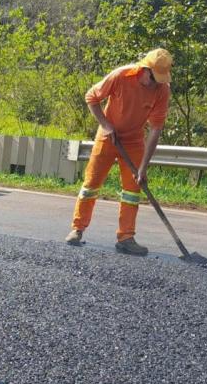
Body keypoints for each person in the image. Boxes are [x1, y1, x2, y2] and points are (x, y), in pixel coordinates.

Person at [66, 48, 173, 256]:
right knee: (91, 185)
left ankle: (126, 238)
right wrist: (106, 125)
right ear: (144, 69)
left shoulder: (162, 90)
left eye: (160, 80)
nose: (155, 84)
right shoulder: (121, 76)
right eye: (153, 78)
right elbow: (92, 97)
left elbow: (156, 129)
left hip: (133, 141)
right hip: (108, 137)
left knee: (133, 190)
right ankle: (77, 229)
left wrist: (143, 167)